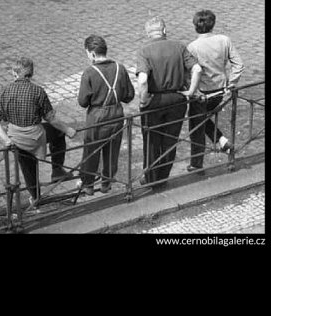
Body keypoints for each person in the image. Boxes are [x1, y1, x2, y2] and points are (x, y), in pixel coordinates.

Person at [0, 57, 77, 204]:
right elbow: (51, 119)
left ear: (14, 73)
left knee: (27, 167)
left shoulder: (5, 91)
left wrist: (6, 140)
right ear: (32, 73)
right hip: (36, 136)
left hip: (16, 139)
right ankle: (57, 169)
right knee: (58, 133)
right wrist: (68, 130)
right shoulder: (38, 91)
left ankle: (36, 197)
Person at [136, 17, 201, 188]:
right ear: (164, 30)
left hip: (154, 101)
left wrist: (143, 101)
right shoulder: (179, 47)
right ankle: (163, 178)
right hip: (177, 99)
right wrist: (191, 91)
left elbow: (142, 80)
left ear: (148, 33)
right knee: (170, 140)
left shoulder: (144, 51)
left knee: (151, 141)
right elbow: (197, 69)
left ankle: (150, 177)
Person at [186, 10, 244, 171]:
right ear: (213, 24)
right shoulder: (224, 40)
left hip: (202, 94)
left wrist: (192, 90)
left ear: (195, 26)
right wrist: (231, 82)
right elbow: (238, 64)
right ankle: (222, 142)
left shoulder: (192, 47)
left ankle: (196, 164)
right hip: (220, 90)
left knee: (196, 126)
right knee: (204, 120)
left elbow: (190, 72)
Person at [77, 35, 135, 195]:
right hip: (116, 114)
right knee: (112, 149)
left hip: (97, 116)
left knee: (92, 149)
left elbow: (82, 101)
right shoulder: (120, 68)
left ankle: (88, 184)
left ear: (92, 53)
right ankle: (106, 183)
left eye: (87, 53)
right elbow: (129, 95)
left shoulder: (89, 72)